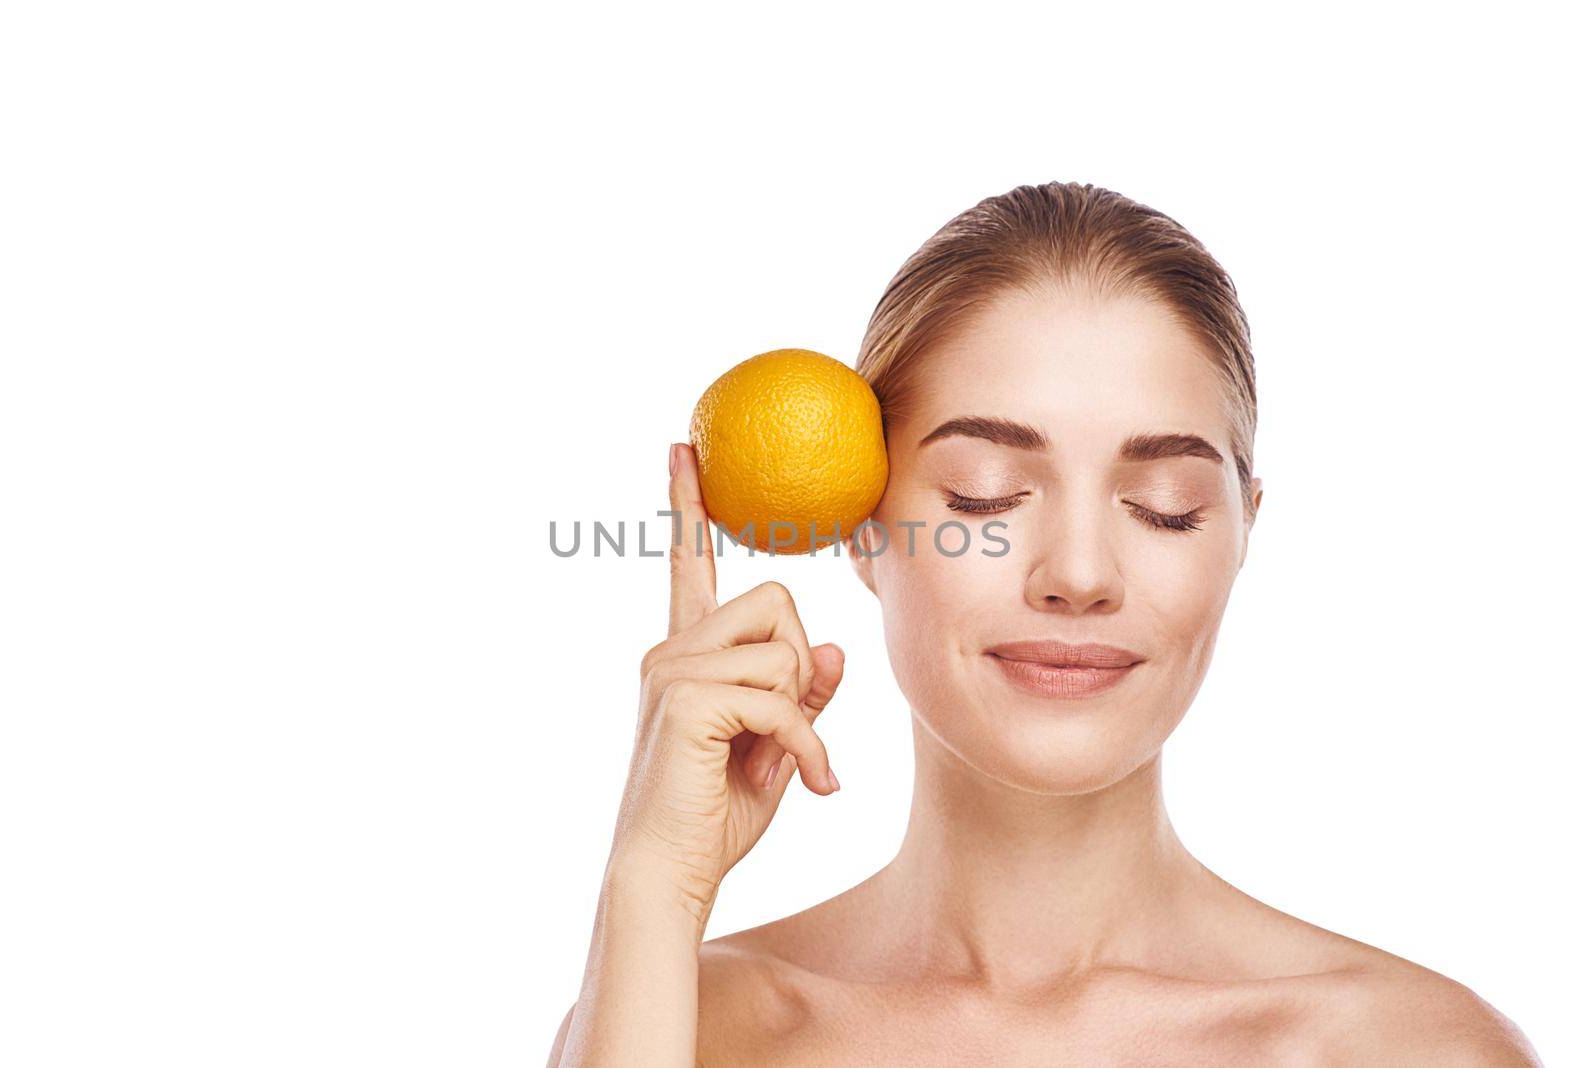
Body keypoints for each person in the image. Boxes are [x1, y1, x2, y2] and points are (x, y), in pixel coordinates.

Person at [548, 182, 1542, 1065]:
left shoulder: (1411, 1050)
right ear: (860, 525)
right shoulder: (687, 1025)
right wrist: (652, 889)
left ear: (1240, 534)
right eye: (985, 496)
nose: (1077, 573)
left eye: (1163, 505)